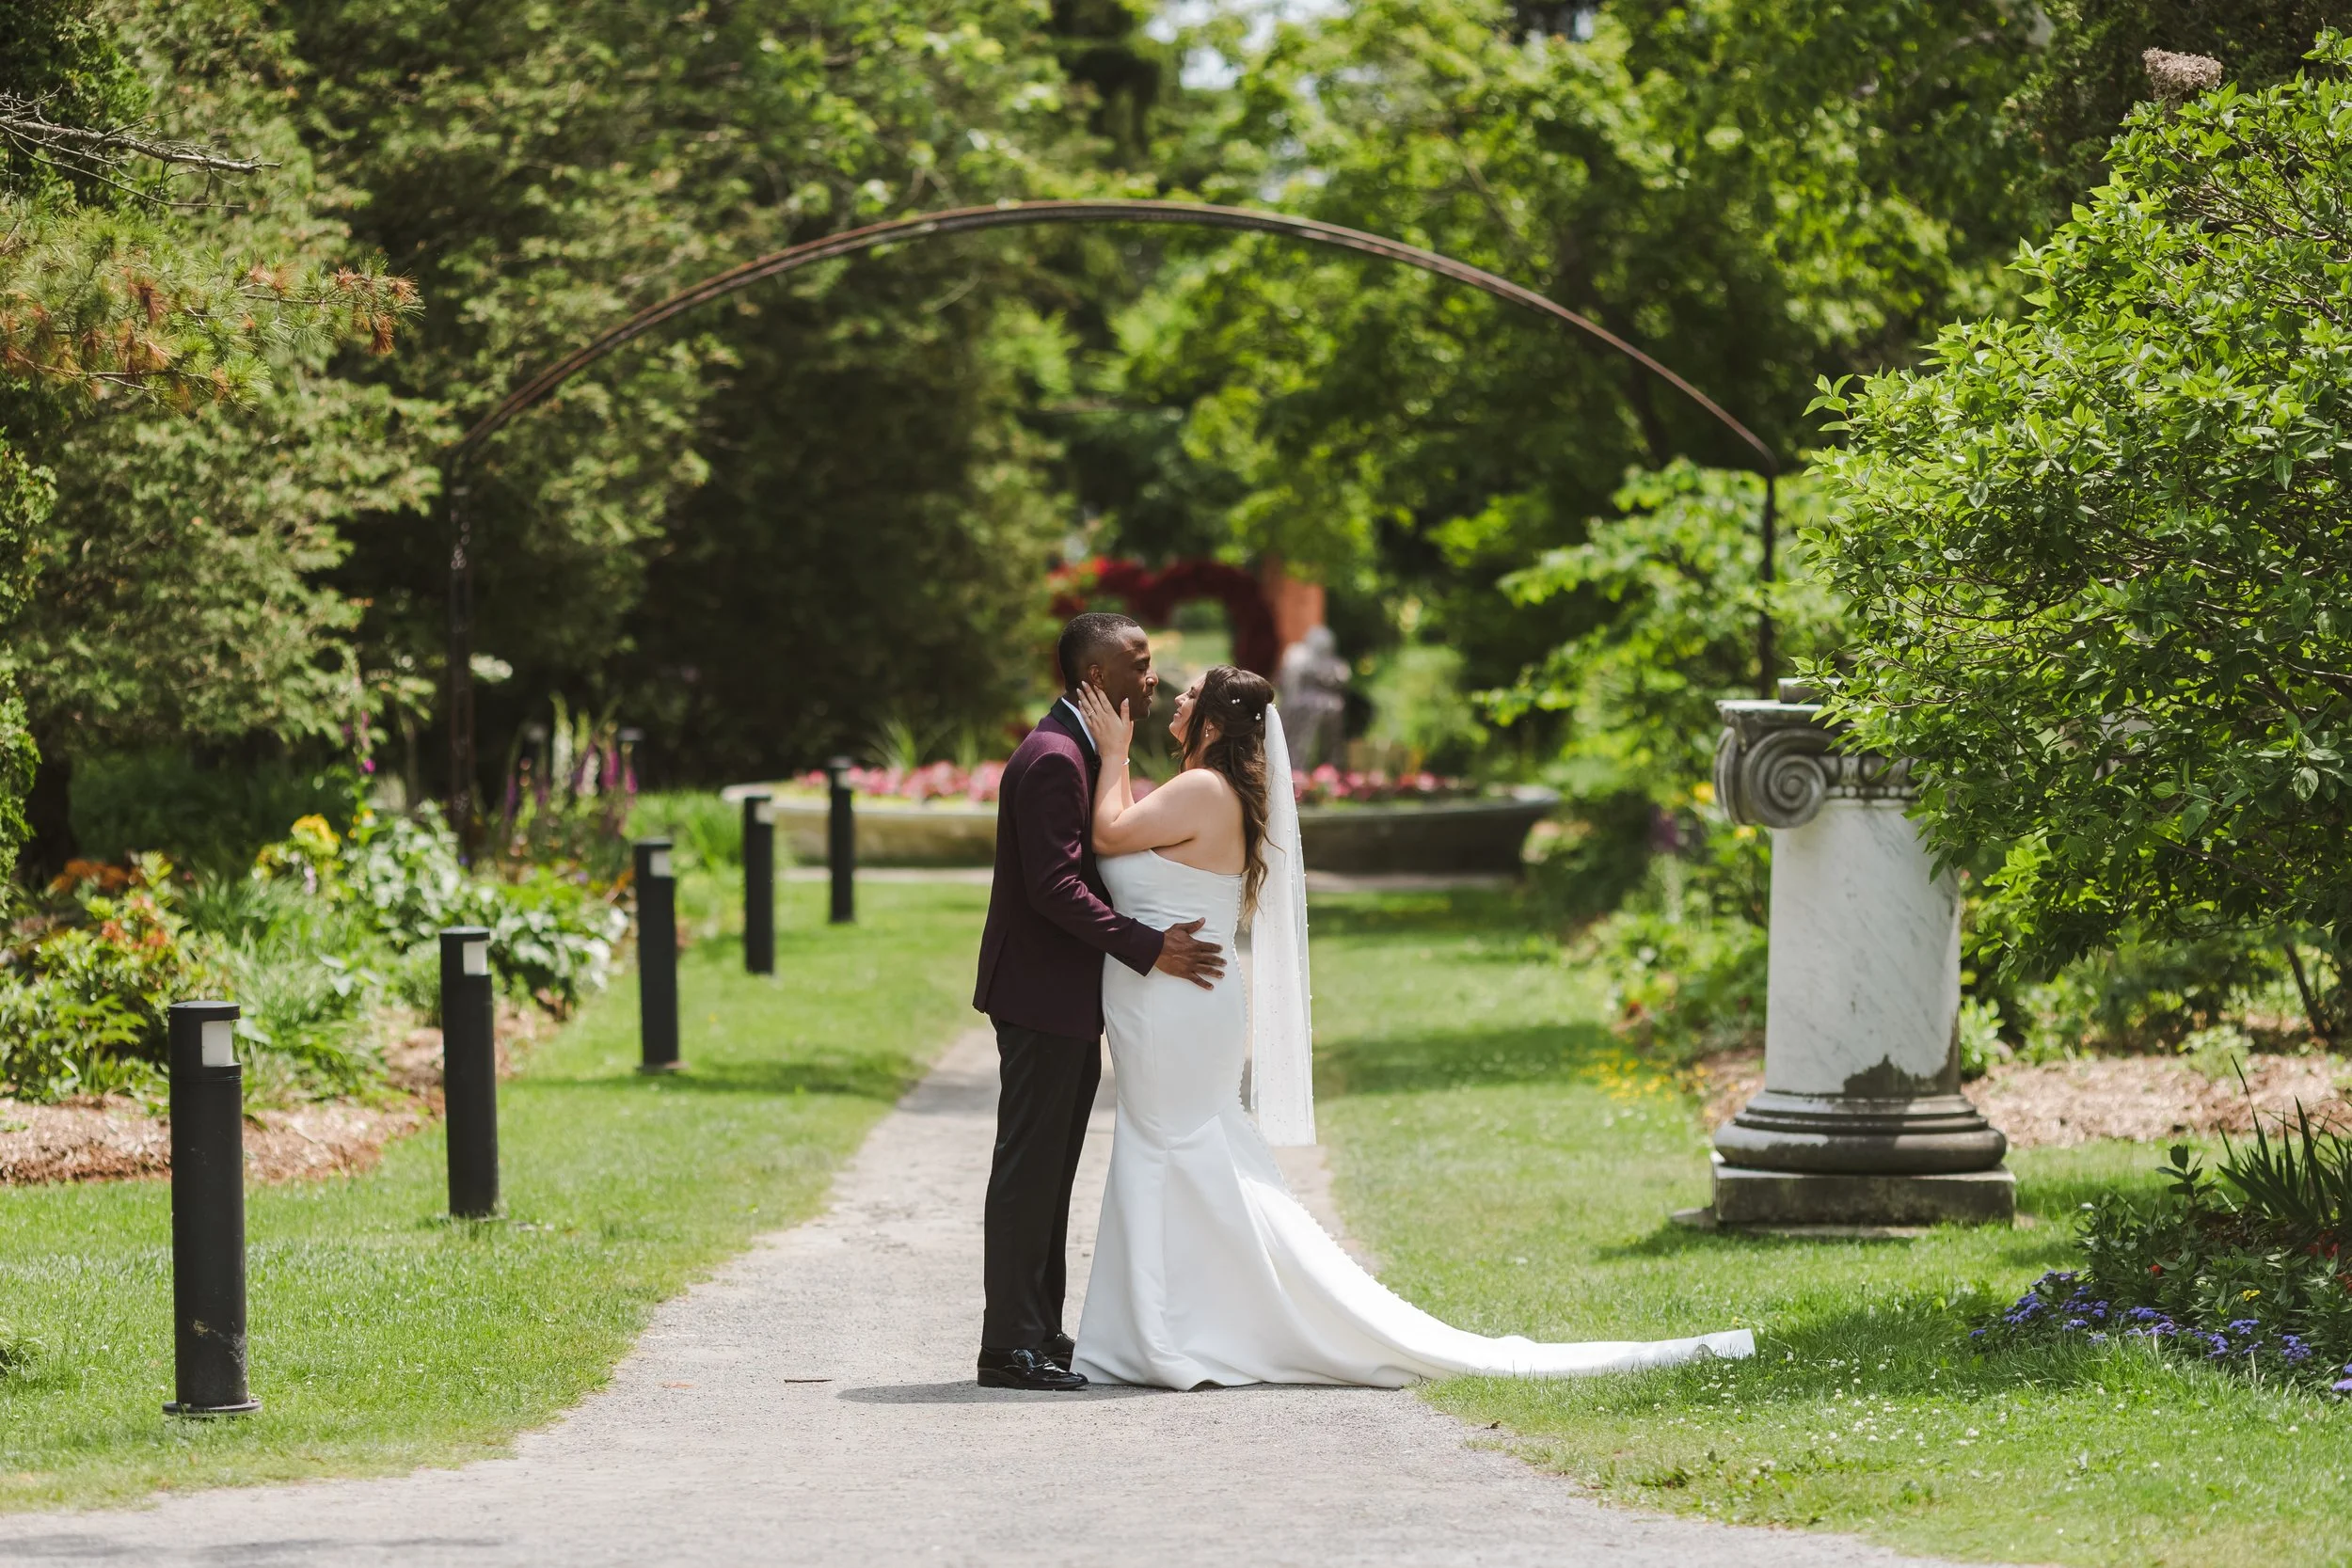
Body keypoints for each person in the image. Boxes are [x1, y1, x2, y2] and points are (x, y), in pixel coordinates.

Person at [1065, 666, 1755, 1386]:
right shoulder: (1204, 788)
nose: (1175, 698)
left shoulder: (1203, 789)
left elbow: (1109, 832)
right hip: (1173, 1000)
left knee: (1176, 1143)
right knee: (1174, 1146)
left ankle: (1174, 1328)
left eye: (1189, 694)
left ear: (1210, 719)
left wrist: (1114, 752)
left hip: (1180, 1003)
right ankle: (1174, 1322)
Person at [970, 612, 1227, 1391]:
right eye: (1140, 664)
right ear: (1095, 677)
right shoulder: (1054, 757)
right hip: (1041, 994)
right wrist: (1150, 945)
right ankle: (1008, 1345)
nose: (1153, 678)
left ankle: (1038, 1330)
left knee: (1050, 1172)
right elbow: (1055, 888)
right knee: (1030, 1170)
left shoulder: (1081, 749)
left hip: (1063, 998)